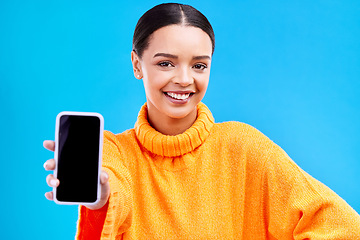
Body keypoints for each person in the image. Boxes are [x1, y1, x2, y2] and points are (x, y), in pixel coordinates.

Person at [43, 3, 360, 239]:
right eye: (166, 63)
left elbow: (341, 225)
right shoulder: (114, 151)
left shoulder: (243, 145)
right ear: (137, 64)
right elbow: (115, 196)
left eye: (199, 66)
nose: (184, 79)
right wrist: (100, 199)